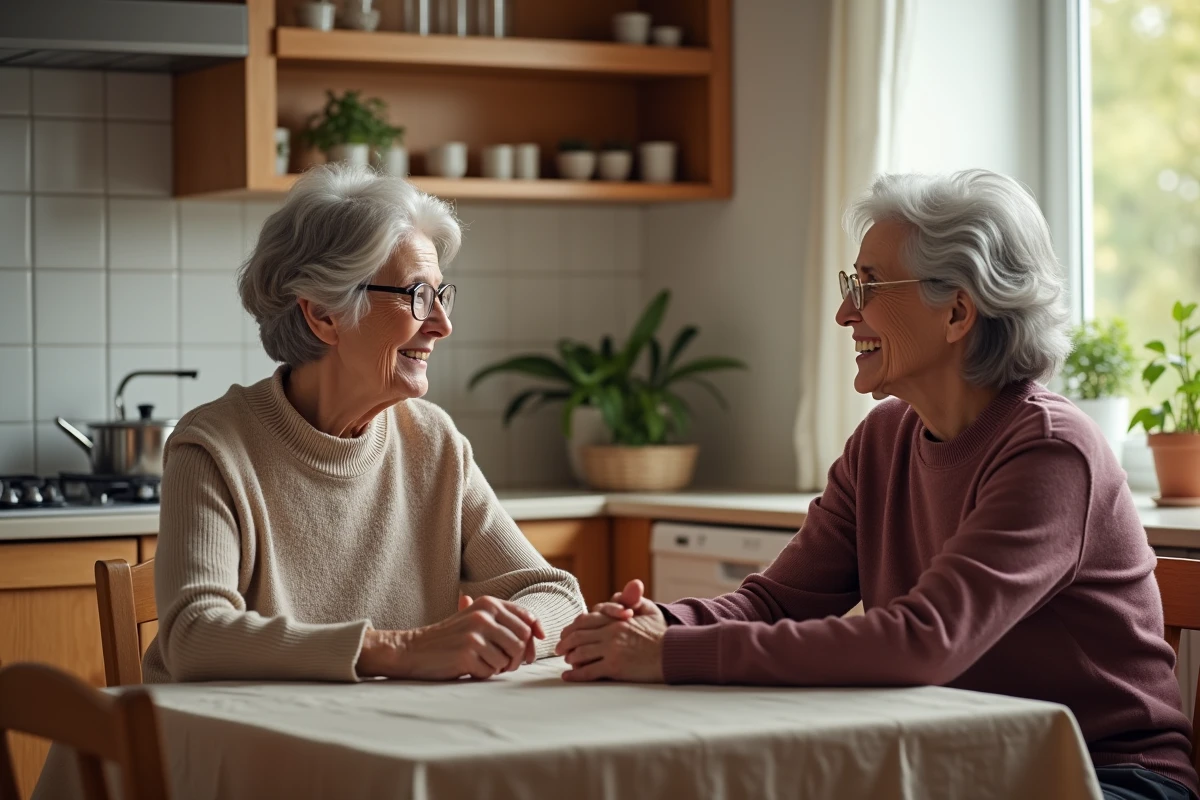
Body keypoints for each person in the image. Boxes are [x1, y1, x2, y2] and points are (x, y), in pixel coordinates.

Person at [556, 169, 1199, 799]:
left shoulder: (1052, 451)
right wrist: (655, 623)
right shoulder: (884, 438)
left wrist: (670, 654)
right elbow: (777, 602)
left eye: (867, 286)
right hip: (966, 765)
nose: (843, 313)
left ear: (957, 311)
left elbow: (923, 642)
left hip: (1108, 777)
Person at [144, 164, 585, 684]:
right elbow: (194, 636)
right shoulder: (215, 448)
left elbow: (559, 595)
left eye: (442, 295)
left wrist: (501, 633)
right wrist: (401, 649)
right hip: (236, 751)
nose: (443, 324)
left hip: (385, 737)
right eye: (417, 296)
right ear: (324, 314)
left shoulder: (432, 440)